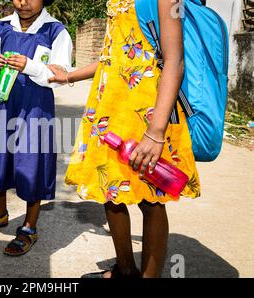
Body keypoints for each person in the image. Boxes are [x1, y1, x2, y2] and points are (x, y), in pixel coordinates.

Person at [49, 0, 201, 277]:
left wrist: (155, 132)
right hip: (111, 111)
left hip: (148, 112)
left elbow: (174, 60)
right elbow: (113, 56)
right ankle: (126, 269)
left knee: (151, 198)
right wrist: (69, 76)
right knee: (111, 191)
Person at [0, 0, 73, 256]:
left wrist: (29, 66)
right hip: (4, 105)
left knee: (31, 164)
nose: (23, 2)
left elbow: (61, 77)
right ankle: (1, 214)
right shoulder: (2, 28)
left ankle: (29, 227)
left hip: (36, 109)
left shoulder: (55, 31)